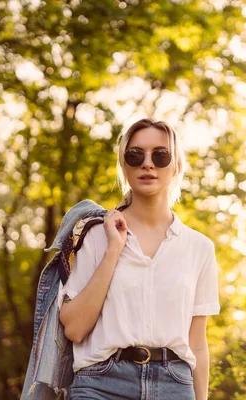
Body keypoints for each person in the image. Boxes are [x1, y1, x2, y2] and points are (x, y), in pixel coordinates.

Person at [58, 118, 220, 400]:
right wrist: (113, 250)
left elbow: (198, 344)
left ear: (176, 166)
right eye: (135, 155)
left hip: (174, 387)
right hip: (101, 385)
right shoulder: (96, 236)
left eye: (160, 155)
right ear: (124, 165)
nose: (148, 164)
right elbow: (74, 328)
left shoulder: (199, 248)